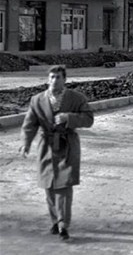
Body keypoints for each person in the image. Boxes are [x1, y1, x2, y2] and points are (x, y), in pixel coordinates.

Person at [20, 66, 94, 241]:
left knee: (64, 186)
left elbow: (89, 119)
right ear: (48, 79)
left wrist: (69, 118)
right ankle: (55, 220)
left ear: (64, 80)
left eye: (58, 77)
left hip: (67, 146)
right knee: (49, 187)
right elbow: (29, 124)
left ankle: (63, 224)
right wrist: (26, 143)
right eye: (51, 77)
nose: (54, 81)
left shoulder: (76, 99)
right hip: (46, 147)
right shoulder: (37, 100)